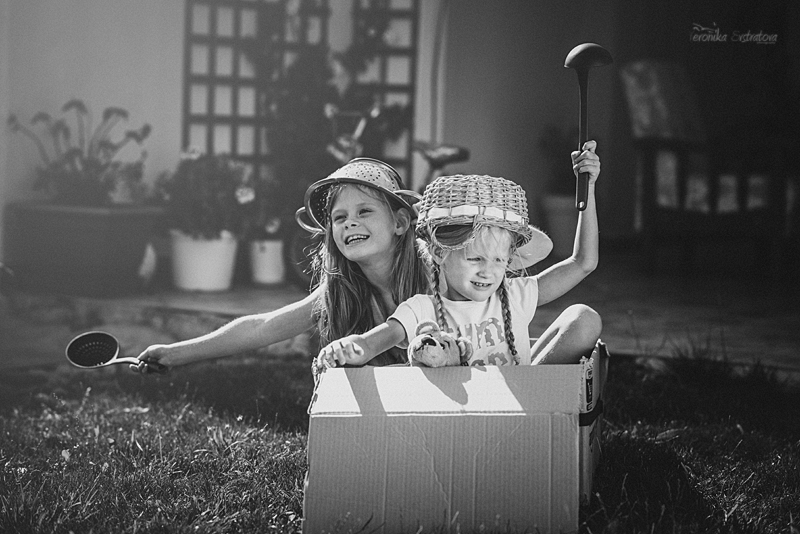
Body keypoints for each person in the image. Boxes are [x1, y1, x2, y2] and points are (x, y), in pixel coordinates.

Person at [316, 141, 602, 368]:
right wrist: (350, 347)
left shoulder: (514, 295)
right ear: (439, 252)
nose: (487, 272)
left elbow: (583, 262)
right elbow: (370, 344)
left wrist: (587, 187)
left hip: (519, 402)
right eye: (475, 259)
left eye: (499, 261)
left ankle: (536, 390)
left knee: (584, 318)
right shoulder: (421, 309)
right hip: (459, 413)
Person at [132, 158, 430, 372]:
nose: (350, 222)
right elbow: (262, 328)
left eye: (364, 211)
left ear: (400, 222)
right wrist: (175, 353)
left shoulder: (433, 270)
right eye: (339, 217)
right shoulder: (341, 288)